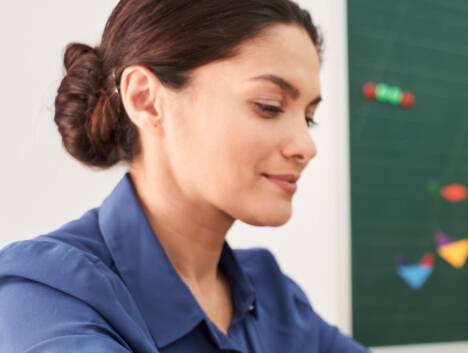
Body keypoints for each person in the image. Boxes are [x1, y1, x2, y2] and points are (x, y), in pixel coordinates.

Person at [0, 1, 369, 352]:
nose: (306, 146)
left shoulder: (273, 296)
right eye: (268, 106)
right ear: (145, 98)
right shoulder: (45, 293)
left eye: (308, 117)